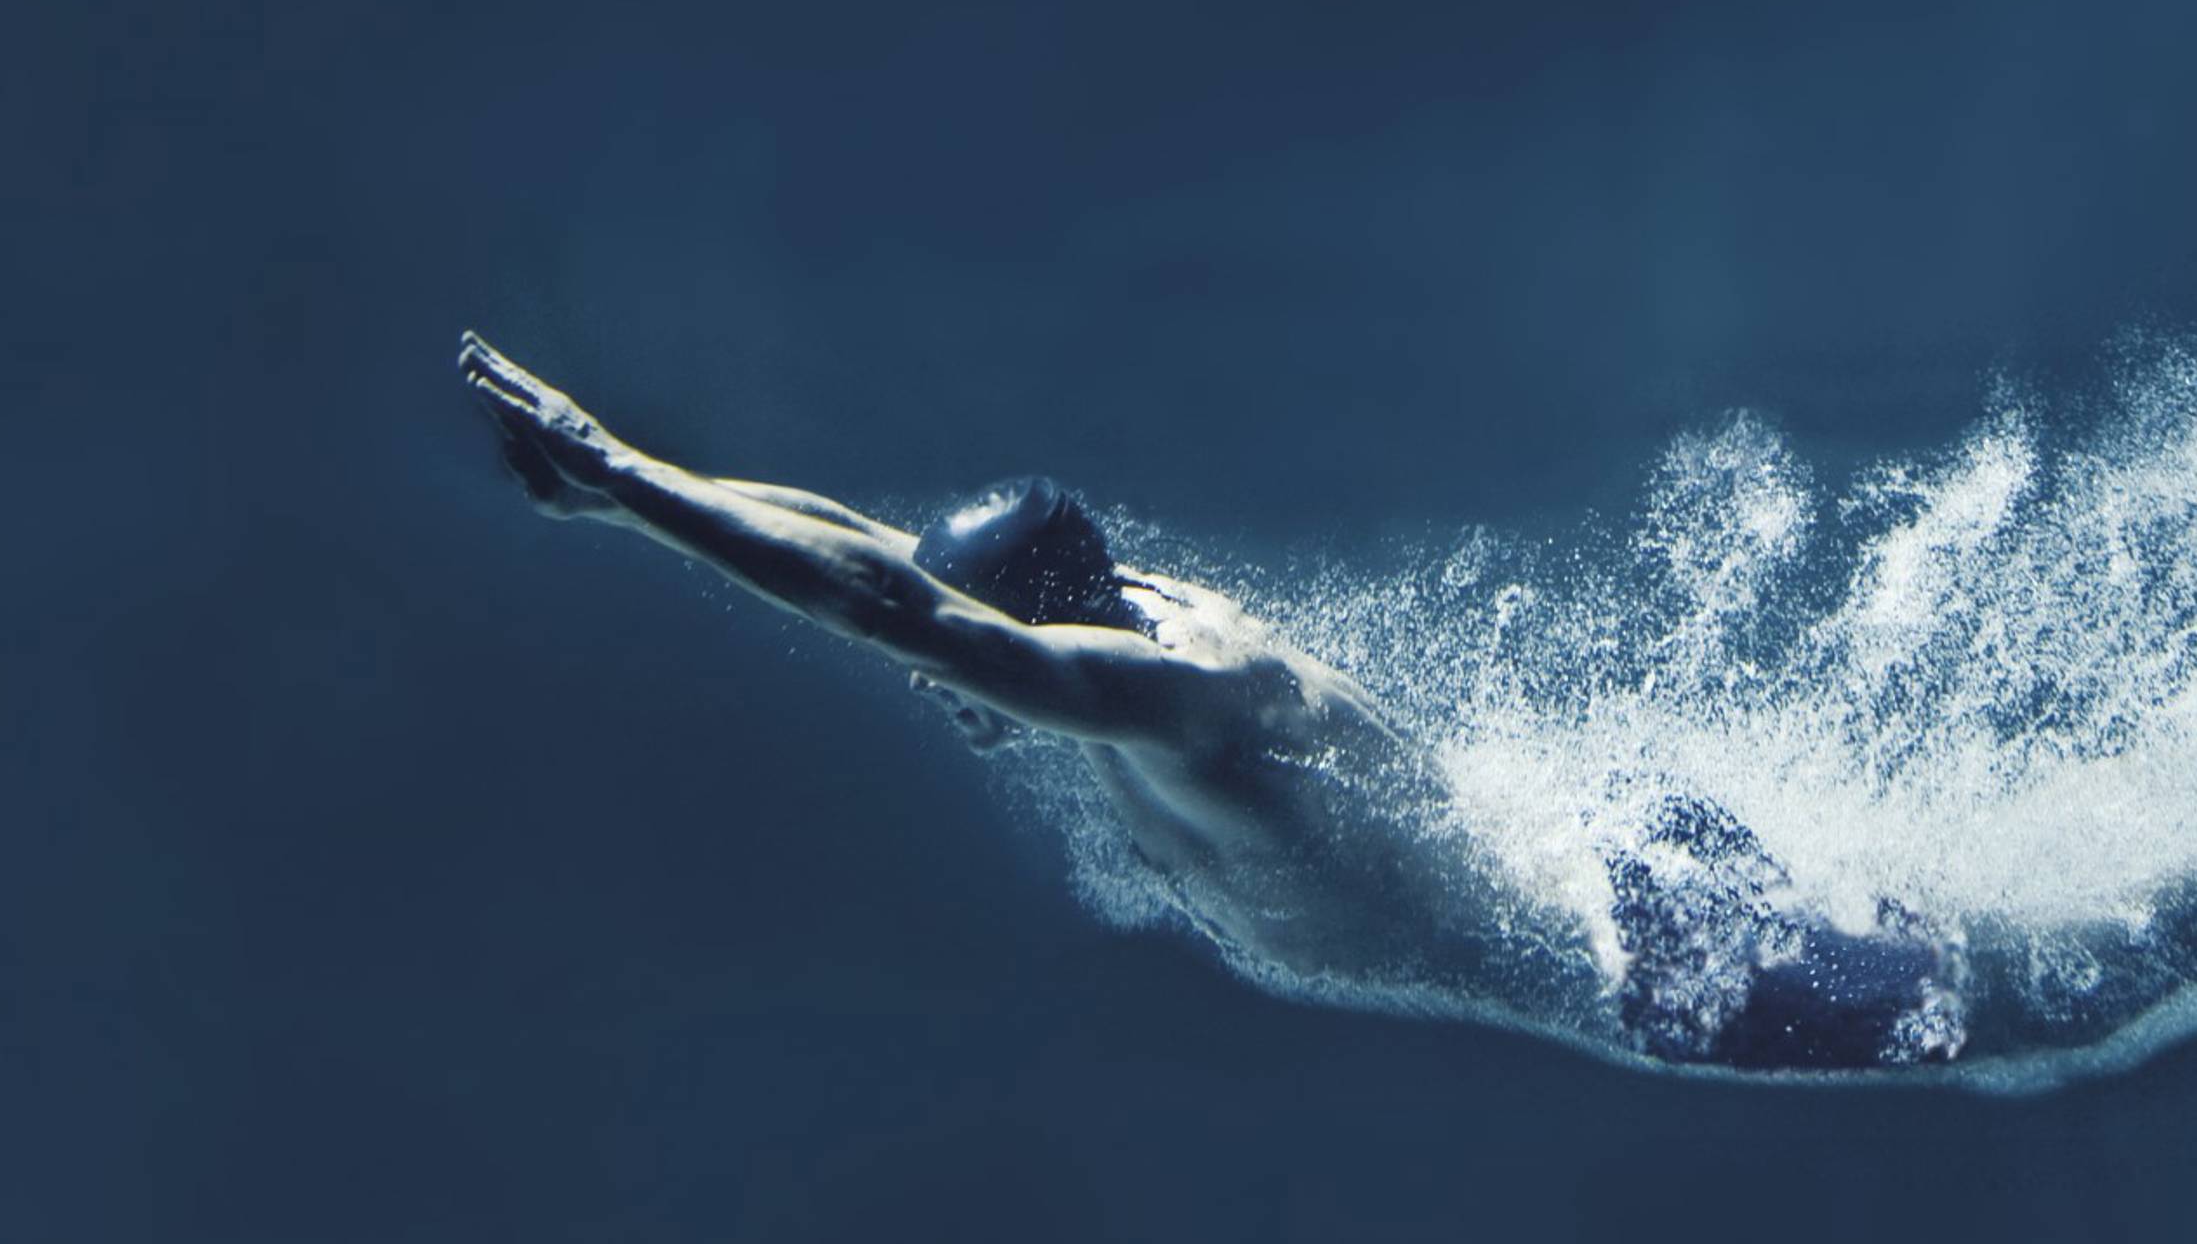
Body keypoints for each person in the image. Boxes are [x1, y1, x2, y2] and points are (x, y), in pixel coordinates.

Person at [462, 334, 1965, 1070]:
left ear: (1039, 638)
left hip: (1641, 953)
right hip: (1605, 857)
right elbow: (869, 556)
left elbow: (890, 607)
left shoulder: (1181, 700)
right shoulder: (1108, 603)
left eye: (965, 665)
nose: (940, 688)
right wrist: (626, 497)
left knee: (2007, 1008)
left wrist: (627, 479)